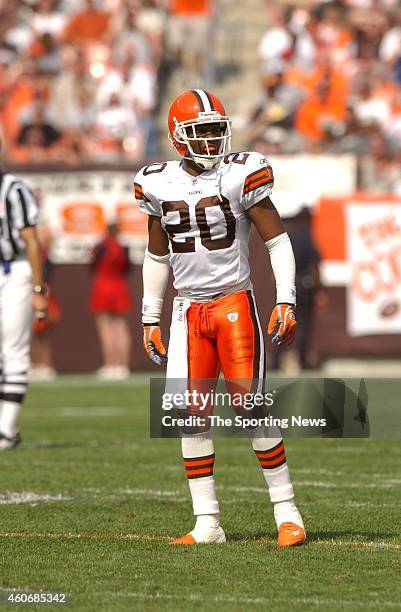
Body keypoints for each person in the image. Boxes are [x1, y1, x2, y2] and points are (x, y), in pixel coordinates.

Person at [135, 89, 306, 547]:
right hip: (187, 307)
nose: (211, 140)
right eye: (201, 131)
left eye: (216, 130)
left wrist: (285, 298)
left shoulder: (239, 173)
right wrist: (151, 315)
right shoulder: (156, 182)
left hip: (233, 303)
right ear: (177, 137)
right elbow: (156, 253)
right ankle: (207, 522)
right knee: (190, 416)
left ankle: (288, 514)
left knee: (251, 407)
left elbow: (276, 240)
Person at [0, 152, 48, 449]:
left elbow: (31, 240)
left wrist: (39, 288)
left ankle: (6, 428)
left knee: (13, 348)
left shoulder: (12, 188)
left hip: (14, 269)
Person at [89, 223, 132, 380]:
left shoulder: (101, 247)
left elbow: (91, 266)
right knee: (121, 327)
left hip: (103, 286)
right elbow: (128, 269)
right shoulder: (124, 248)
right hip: (119, 286)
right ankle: (123, 366)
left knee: (105, 328)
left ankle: (110, 365)